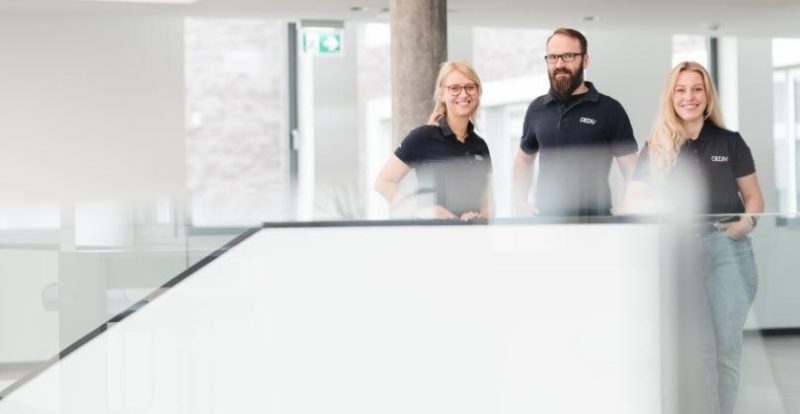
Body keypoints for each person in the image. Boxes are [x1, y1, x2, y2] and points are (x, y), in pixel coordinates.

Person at [626, 61, 764, 414]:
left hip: (728, 251)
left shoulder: (730, 142)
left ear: (707, 95)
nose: (689, 97)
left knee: (727, 353)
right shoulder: (656, 147)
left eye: (697, 89)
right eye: (681, 90)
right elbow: (634, 201)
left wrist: (745, 224)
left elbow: (754, 199)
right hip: (681, 255)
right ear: (671, 96)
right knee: (700, 352)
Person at [513, 28, 638, 217]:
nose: (559, 64)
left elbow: (632, 169)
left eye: (568, 56)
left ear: (585, 60)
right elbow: (523, 159)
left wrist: (628, 207)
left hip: (597, 223)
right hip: (546, 223)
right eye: (553, 57)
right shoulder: (537, 109)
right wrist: (521, 202)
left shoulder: (610, 109)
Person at [374, 60, 493, 220]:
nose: (464, 94)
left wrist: (479, 219)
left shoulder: (480, 146)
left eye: (470, 87)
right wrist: (418, 211)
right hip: (431, 234)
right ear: (442, 94)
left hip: (471, 235)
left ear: (478, 93)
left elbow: (487, 204)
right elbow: (384, 182)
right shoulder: (422, 138)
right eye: (454, 88)